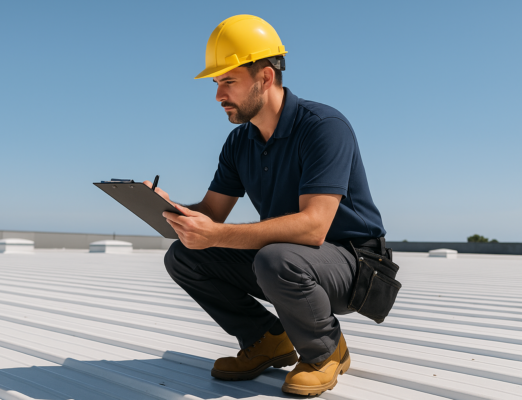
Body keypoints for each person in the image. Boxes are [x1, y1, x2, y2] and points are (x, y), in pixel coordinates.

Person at [144, 14, 387, 396]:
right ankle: (267, 340)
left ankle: (325, 349)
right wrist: (166, 207)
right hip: (288, 258)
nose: (218, 96)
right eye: (216, 83)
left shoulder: (323, 126)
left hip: (355, 265)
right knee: (184, 256)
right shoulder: (240, 143)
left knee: (274, 259)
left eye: (228, 82)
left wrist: (217, 234)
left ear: (265, 77)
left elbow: (314, 227)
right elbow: (212, 214)